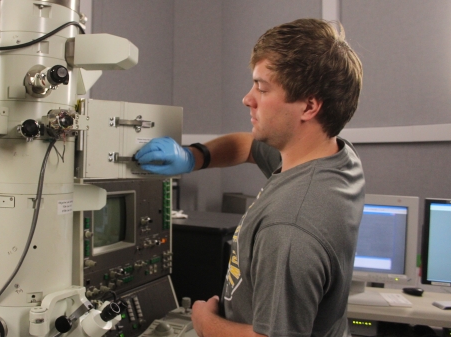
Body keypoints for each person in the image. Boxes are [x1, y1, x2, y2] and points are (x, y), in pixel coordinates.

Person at [135, 18, 365, 337]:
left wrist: (203, 321)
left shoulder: (289, 229)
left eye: (262, 87)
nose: (248, 98)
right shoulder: (335, 157)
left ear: (309, 105)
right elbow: (249, 146)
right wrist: (193, 157)